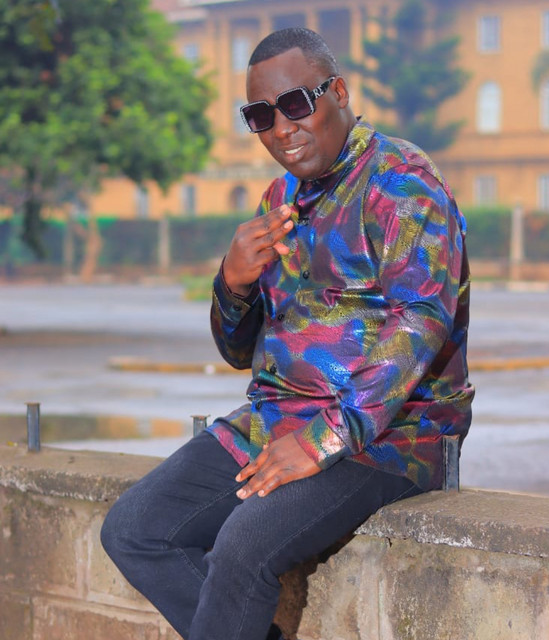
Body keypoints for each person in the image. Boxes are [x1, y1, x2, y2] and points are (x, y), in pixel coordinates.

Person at [101, 27, 474, 640]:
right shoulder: (280, 198)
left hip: (393, 435)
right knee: (135, 529)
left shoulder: (401, 182)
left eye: (295, 104)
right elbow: (237, 351)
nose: (281, 128)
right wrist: (233, 282)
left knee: (242, 547)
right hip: (277, 418)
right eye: (260, 116)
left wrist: (324, 439)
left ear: (339, 94)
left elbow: (420, 323)